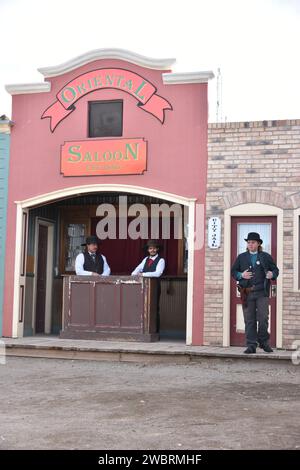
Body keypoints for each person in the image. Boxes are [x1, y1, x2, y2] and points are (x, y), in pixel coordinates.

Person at [231, 232, 279, 354]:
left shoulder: (266, 257)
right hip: (247, 293)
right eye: (248, 242)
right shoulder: (241, 257)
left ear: (258, 244)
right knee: (249, 320)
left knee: (263, 318)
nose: (250, 244)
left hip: (262, 293)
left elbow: (275, 270)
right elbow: (233, 272)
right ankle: (251, 345)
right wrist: (241, 275)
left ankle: (263, 342)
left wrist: (271, 274)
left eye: (252, 242)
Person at [131, 240, 165, 333]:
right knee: (143, 307)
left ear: (157, 249)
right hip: (144, 287)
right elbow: (137, 269)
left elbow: (157, 273)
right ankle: (144, 330)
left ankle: (155, 331)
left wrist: (142, 274)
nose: (152, 250)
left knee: (154, 307)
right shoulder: (145, 259)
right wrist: (134, 274)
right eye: (150, 248)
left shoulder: (161, 260)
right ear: (148, 250)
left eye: (154, 248)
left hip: (154, 287)